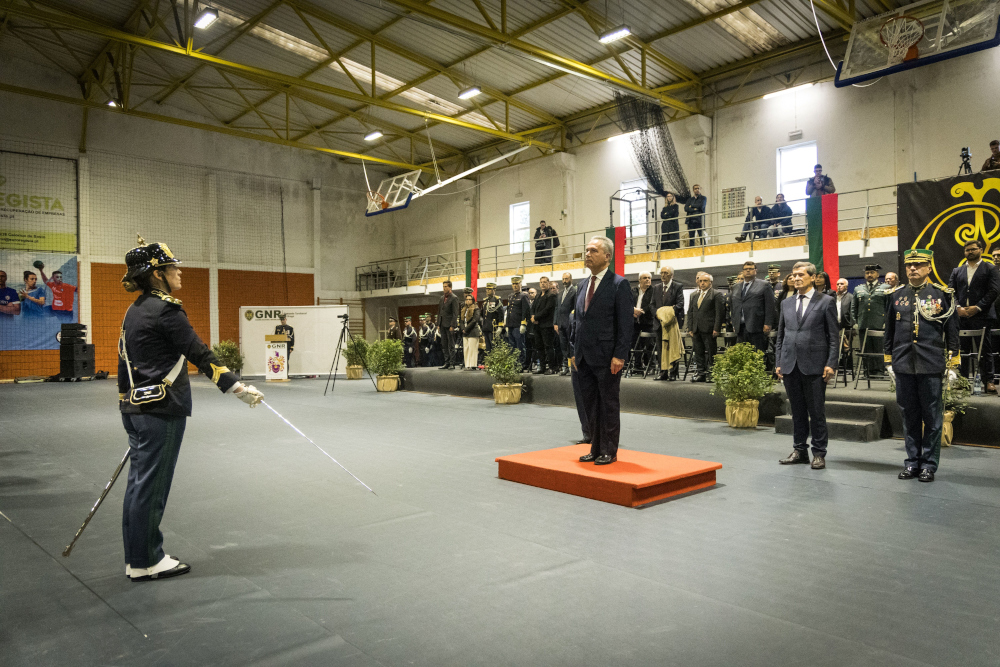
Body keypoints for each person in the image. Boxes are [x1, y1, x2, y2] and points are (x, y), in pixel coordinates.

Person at [117, 239, 262, 581]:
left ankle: (138, 557)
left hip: (135, 409)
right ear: (157, 275)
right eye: (172, 267)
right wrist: (237, 387)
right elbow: (198, 352)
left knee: (139, 485)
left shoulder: (134, 311)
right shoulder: (167, 310)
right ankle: (147, 561)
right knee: (152, 487)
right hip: (162, 409)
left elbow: (124, 364)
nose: (179, 271)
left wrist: (126, 402)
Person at [885, 248, 960, 483]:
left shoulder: (941, 294)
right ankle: (912, 462)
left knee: (933, 417)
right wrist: (888, 360)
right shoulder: (896, 295)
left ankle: (929, 464)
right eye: (909, 265)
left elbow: (952, 329)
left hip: (931, 363)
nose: (913, 269)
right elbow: (889, 330)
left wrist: (953, 362)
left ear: (929, 268)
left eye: (918, 265)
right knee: (909, 416)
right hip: (904, 362)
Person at [571, 236, 632, 465]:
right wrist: (574, 353)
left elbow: (625, 325)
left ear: (607, 256)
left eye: (593, 250)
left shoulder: (619, 284)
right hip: (584, 357)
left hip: (608, 357)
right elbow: (578, 322)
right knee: (590, 405)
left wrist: (619, 355)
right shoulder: (582, 285)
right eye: (586, 250)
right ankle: (595, 448)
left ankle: (609, 450)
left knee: (607, 404)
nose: (587, 254)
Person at [775, 262, 839, 470]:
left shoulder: (826, 301)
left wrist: (831, 363)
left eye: (801, 275)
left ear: (813, 277)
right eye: (793, 275)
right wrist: (779, 361)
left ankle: (819, 453)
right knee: (797, 411)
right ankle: (799, 450)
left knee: (816, 412)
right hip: (790, 364)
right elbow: (781, 335)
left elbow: (833, 337)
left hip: (815, 365)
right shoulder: (786, 303)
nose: (796, 278)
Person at [949, 238, 1000, 393]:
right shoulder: (957, 271)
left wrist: (977, 308)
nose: (969, 252)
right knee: (962, 351)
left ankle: (989, 381)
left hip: (982, 316)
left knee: (985, 350)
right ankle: (963, 381)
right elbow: (950, 291)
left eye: (973, 249)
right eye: (967, 250)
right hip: (961, 316)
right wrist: (957, 307)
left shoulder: (990, 268)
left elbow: (994, 291)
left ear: (980, 250)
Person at [685, 272, 724, 383]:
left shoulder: (716, 294)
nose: (702, 283)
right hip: (696, 329)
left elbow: (719, 313)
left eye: (705, 281)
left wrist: (716, 328)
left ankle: (712, 374)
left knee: (712, 353)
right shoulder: (695, 295)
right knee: (698, 353)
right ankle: (701, 373)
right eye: (700, 281)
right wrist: (690, 328)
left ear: (710, 282)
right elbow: (690, 312)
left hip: (709, 329)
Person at [852, 264, 890, 376]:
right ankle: (867, 371)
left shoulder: (885, 288)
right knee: (865, 349)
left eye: (872, 272)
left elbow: (889, 307)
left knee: (878, 348)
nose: (869, 275)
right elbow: (853, 307)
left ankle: (878, 371)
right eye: (867, 273)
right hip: (863, 323)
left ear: (877, 274)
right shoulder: (858, 289)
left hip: (879, 323)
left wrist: (886, 323)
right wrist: (855, 322)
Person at [731, 260, 777, 352]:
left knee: (758, 355)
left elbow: (770, 306)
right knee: (742, 355)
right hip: (740, 327)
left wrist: (768, 323)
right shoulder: (736, 287)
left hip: (757, 327)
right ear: (743, 271)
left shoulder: (764, 285)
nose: (748, 271)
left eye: (751, 269)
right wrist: (734, 322)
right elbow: (734, 306)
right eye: (746, 269)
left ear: (756, 271)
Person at [649, 266, 685, 380]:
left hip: (671, 323)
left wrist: (668, 314)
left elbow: (680, 304)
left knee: (672, 348)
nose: (663, 275)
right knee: (660, 349)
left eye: (666, 273)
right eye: (662, 273)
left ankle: (673, 374)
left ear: (671, 275)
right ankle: (663, 372)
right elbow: (651, 305)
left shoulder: (678, 286)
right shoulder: (656, 288)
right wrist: (659, 314)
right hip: (659, 323)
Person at [530, 277, 557, 375]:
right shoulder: (537, 296)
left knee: (548, 346)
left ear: (548, 283)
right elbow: (532, 308)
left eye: (545, 282)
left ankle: (552, 367)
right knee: (539, 347)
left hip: (547, 325)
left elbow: (547, 310)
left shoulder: (551, 295)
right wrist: (533, 317)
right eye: (541, 282)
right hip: (537, 326)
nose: (543, 284)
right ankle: (542, 367)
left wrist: (536, 317)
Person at [554, 272, 577, 376]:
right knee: (563, 346)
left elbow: (576, 308)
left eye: (566, 279)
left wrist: (574, 322)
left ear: (571, 279)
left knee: (571, 345)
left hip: (570, 323)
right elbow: (557, 309)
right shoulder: (560, 293)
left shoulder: (575, 291)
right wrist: (555, 322)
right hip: (561, 324)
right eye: (563, 279)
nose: (564, 281)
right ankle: (565, 367)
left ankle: (573, 367)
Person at [630, 272, 654, 371]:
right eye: (645, 278)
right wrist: (633, 310)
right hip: (635, 322)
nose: (647, 280)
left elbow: (652, 304)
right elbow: (627, 303)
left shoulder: (653, 291)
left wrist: (641, 311)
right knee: (636, 344)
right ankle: (637, 365)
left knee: (649, 345)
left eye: (649, 278)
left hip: (648, 322)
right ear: (639, 280)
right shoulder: (633, 291)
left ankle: (650, 366)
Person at [504, 275, 530, 368]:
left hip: (518, 325)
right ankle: (513, 363)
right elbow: (508, 311)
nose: (515, 286)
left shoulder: (524, 296)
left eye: (517, 284)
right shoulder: (510, 296)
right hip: (511, 324)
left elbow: (526, 311)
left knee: (520, 346)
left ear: (520, 284)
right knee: (512, 346)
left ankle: (521, 364)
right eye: (513, 284)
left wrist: (523, 324)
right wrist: (507, 325)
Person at [437, 281, 461, 370]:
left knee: (451, 344)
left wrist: (452, 325)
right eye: (443, 286)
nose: (444, 288)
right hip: (442, 324)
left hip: (449, 324)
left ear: (450, 287)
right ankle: (446, 362)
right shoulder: (441, 298)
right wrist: (438, 324)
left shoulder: (454, 298)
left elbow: (455, 313)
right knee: (444, 344)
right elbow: (439, 312)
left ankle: (452, 363)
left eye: (446, 286)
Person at [460, 289, 482, 371]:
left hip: (472, 331)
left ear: (473, 301)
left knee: (473, 349)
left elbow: (475, 320)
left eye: (470, 299)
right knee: (466, 348)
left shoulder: (476, 308)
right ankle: (467, 365)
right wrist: (462, 328)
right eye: (467, 299)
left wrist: (466, 329)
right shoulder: (463, 309)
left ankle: (473, 365)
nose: (468, 301)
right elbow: (461, 320)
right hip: (465, 331)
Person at [481, 282, 504, 354]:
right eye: (487, 289)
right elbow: (482, 314)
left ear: (494, 290)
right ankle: (489, 363)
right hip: (486, 327)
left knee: (494, 346)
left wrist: (500, 326)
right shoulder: (485, 301)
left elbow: (501, 314)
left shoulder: (497, 300)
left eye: (489, 289)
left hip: (493, 328)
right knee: (487, 347)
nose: (487, 291)